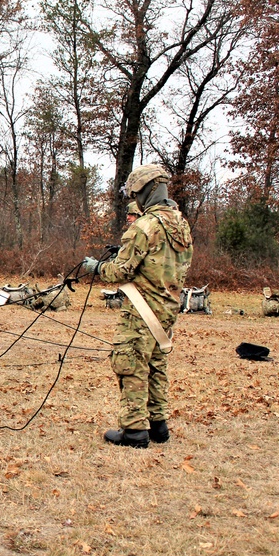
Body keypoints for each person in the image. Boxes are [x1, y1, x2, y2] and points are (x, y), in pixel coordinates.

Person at [82, 165, 194, 448]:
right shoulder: (180, 224)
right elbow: (167, 264)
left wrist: (97, 268)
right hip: (167, 308)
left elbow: (120, 272)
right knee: (156, 364)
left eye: (136, 193)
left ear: (146, 190)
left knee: (130, 364)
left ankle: (133, 431)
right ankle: (158, 425)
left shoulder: (144, 226)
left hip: (142, 308)